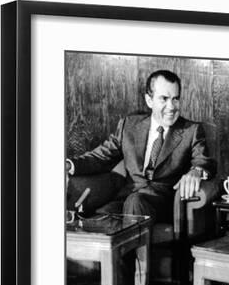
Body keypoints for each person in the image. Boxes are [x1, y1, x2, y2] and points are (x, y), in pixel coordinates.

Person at [66, 69, 217, 222]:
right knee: (95, 223)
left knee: (135, 202)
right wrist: (68, 165)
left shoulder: (191, 130)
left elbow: (204, 160)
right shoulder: (129, 125)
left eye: (176, 99)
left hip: (164, 205)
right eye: (164, 99)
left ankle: (134, 245)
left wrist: (196, 171)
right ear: (149, 100)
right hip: (125, 199)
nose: (171, 106)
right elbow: (101, 157)